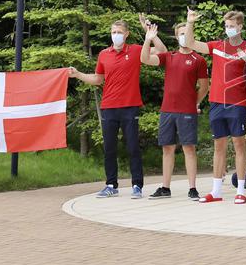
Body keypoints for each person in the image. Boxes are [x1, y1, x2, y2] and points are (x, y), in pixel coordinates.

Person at [70, 20, 157, 199]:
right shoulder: (104, 54)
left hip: (130, 107)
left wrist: (150, 36)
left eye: (119, 31)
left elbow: (161, 52)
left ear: (126, 34)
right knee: (109, 148)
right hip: (109, 107)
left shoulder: (135, 50)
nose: (115, 34)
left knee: (133, 147)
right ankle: (111, 185)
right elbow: (97, 79)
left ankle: (137, 185)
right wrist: (78, 74)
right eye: (113, 31)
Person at [185, 10, 246, 204]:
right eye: (226, 26)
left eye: (232, 26)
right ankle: (216, 191)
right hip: (217, 102)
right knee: (219, 146)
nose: (229, 29)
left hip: (237, 103)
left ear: (240, 27)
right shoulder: (217, 46)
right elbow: (190, 43)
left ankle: (240, 191)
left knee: (239, 146)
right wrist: (190, 23)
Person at [141, 14, 209, 201]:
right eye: (180, 34)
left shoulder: (199, 60)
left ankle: (193, 188)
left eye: (186, 33)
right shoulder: (169, 57)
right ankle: (165, 187)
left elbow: (204, 87)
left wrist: (194, 102)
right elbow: (145, 59)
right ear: (176, 36)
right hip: (167, 110)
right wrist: (148, 39)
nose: (183, 36)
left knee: (189, 148)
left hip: (187, 111)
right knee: (167, 149)